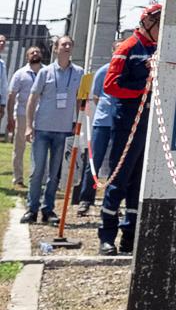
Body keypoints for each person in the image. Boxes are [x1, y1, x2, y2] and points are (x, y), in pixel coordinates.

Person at [99, 4, 161, 254]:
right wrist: (143, 84)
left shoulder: (158, 50)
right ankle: (107, 235)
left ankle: (130, 235)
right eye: (159, 24)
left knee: (138, 183)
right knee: (119, 180)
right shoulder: (128, 47)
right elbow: (111, 85)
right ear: (147, 23)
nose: (161, 30)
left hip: (148, 123)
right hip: (127, 122)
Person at [23, 35, 83, 224]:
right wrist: (28, 126)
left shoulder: (79, 73)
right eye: (63, 44)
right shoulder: (45, 72)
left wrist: (77, 126)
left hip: (64, 131)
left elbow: (80, 101)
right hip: (42, 129)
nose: (66, 47)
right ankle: (31, 209)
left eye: (69, 44)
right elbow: (32, 100)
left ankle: (48, 209)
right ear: (56, 49)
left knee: (54, 174)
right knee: (37, 171)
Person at [76, 41, 122, 215]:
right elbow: (95, 96)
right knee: (94, 162)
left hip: (120, 123)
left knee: (116, 164)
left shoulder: (127, 71)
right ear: (113, 52)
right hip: (102, 123)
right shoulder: (104, 71)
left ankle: (111, 203)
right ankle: (86, 199)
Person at [7, 46, 43, 190]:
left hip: (41, 115)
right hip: (22, 114)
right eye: (32, 52)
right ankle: (18, 178)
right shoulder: (20, 74)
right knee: (19, 147)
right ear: (27, 57)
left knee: (41, 148)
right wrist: (10, 116)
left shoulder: (46, 72)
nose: (35, 54)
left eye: (38, 52)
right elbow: (11, 96)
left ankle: (39, 179)